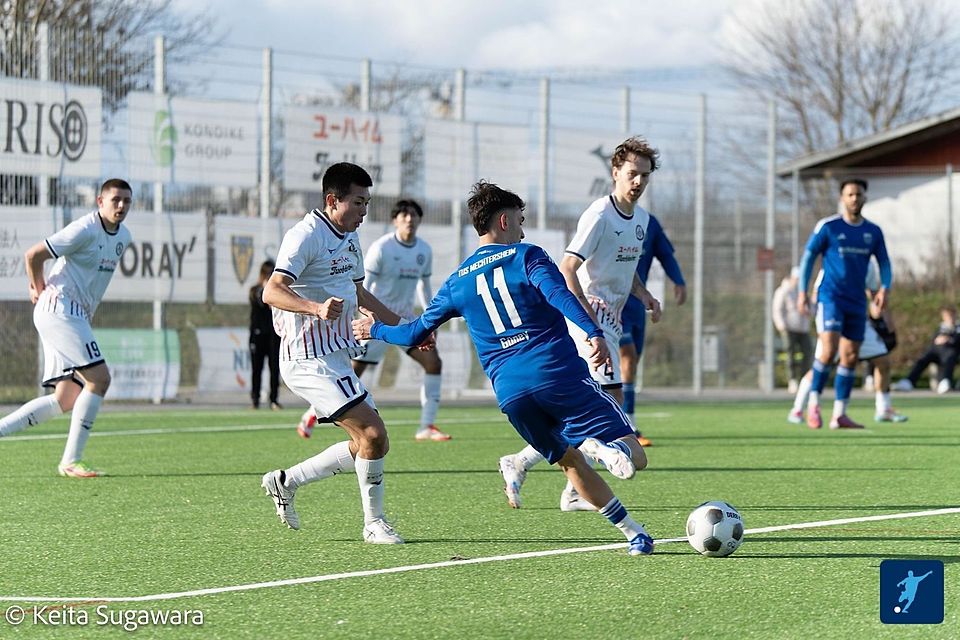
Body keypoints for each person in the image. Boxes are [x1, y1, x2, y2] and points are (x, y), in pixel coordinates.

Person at [353, 180, 655, 555]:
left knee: (569, 462)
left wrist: (374, 329)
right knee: (635, 453)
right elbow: (560, 295)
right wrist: (593, 332)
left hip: (512, 395)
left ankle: (634, 534)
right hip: (556, 374)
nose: (523, 230)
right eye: (520, 220)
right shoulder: (527, 256)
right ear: (504, 221)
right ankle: (605, 449)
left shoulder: (458, 280)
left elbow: (414, 332)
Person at [499, 136, 662, 511]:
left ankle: (527, 464)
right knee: (603, 411)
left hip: (611, 324)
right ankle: (569, 486)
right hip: (588, 325)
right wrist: (588, 322)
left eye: (645, 176)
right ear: (615, 172)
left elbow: (626, 269)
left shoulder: (642, 220)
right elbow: (568, 267)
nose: (638, 182)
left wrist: (644, 295)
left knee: (602, 410)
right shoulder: (599, 214)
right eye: (632, 174)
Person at [259, 162, 406, 544]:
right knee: (372, 433)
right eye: (358, 202)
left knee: (372, 443)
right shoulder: (305, 235)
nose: (364, 211)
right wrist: (315, 308)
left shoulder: (349, 236)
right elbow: (271, 291)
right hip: (306, 359)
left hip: (335, 355)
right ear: (332, 200)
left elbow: (359, 293)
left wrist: (406, 329)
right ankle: (374, 524)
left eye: (367, 202)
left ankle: (286, 481)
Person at [0, 179, 134, 478]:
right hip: (59, 309)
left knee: (66, 398)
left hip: (73, 315)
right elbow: (33, 255)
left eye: (127, 201)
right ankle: (71, 461)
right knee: (99, 379)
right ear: (100, 201)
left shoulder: (124, 236)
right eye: (115, 200)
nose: (121, 206)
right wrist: (37, 287)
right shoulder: (85, 229)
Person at [295, 199, 451, 442]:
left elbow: (424, 286)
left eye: (414, 215)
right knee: (350, 374)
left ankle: (426, 426)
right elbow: (363, 288)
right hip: (376, 320)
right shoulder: (382, 248)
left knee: (433, 363)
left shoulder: (424, 250)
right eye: (404, 215)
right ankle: (312, 413)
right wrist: (364, 316)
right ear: (395, 220)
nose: (409, 219)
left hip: (403, 321)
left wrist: (430, 319)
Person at [797, 178, 892, 429]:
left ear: (864, 198)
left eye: (858, 194)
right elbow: (808, 259)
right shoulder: (828, 227)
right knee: (828, 350)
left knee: (850, 356)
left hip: (856, 301)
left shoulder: (873, 231)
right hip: (831, 297)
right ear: (842, 198)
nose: (854, 199)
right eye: (850, 194)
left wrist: (885, 287)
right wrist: (802, 292)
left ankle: (839, 414)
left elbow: (884, 262)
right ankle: (813, 404)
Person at [788, 261, 907, 424]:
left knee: (883, 361)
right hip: (833, 322)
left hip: (858, 322)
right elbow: (817, 295)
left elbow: (873, 296)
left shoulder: (868, 264)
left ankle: (883, 409)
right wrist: (821, 323)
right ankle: (797, 409)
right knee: (822, 364)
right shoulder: (834, 260)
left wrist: (885, 316)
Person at [618, 212, 686, 430]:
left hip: (638, 304)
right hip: (613, 304)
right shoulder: (604, 217)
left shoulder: (649, 223)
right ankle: (628, 423)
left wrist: (678, 280)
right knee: (627, 357)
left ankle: (621, 418)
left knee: (632, 363)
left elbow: (665, 254)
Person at [893, 305, 959, 394]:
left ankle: (946, 381)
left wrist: (949, 339)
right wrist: (938, 340)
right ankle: (909, 382)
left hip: (951, 352)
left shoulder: (958, 327)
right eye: (946, 316)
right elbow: (933, 340)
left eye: (951, 315)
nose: (949, 318)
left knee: (949, 359)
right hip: (936, 352)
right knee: (923, 359)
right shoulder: (941, 327)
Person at [772, 266, 813, 392]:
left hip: (803, 329)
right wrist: (781, 325)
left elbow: (811, 309)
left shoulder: (804, 292)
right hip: (789, 328)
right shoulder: (783, 291)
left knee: (808, 352)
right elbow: (777, 309)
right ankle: (792, 379)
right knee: (791, 353)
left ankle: (805, 380)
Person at [249, 260, 282, 410]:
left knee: (274, 368)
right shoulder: (254, 290)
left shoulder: (278, 292)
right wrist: (265, 288)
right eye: (267, 273)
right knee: (257, 368)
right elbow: (261, 301)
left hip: (273, 335)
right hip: (258, 335)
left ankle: (274, 399)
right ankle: (255, 399)